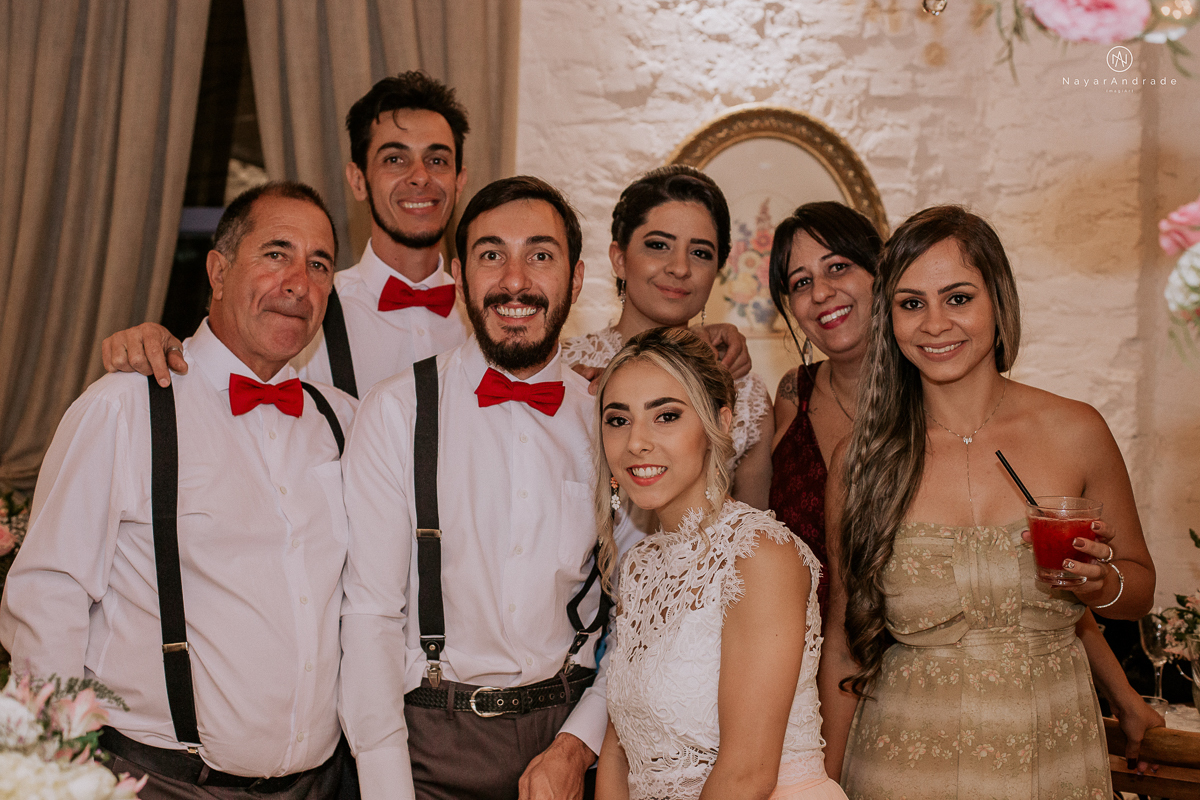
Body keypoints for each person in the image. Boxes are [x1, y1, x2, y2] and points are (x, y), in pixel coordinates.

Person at [768, 202, 1162, 774]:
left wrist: (1103, 584)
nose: (934, 324)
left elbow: (1140, 588)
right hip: (899, 762)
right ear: (889, 318)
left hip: (1052, 756)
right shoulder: (860, 461)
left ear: (998, 300)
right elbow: (845, 647)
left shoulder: (1077, 431)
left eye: (957, 298)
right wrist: (823, 783)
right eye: (911, 304)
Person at [0, 182, 356, 800]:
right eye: (276, 253)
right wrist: (52, 768)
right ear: (217, 271)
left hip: (320, 785)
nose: (299, 282)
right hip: (160, 782)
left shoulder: (342, 422)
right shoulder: (124, 407)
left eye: (319, 264)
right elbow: (47, 600)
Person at [339, 176, 631, 800]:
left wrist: (578, 745)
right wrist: (387, 786)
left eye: (540, 255)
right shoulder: (396, 412)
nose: (515, 281)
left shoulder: (609, 422)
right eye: (491, 254)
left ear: (576, 278)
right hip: (429, 747)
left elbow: (634, 617)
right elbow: (369, 616)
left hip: (569, 739)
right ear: (459, 275)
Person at [103, 71, 471, 396]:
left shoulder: (487, 312)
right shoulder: (303, 306)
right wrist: (150, 342)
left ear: (459, 181)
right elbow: (216, 382)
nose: (420, 176)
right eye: (395, 159)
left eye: (437, 160)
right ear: (358, 180)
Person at [592, 327, 844, 800]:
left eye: (666, 416)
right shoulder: (640, 565)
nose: (636, 442)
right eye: (618, 420)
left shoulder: (759, 555)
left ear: (721, 422)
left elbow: (747, 774)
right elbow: (619, 748)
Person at [561, 165, 773, 509]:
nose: (680, 267)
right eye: (659, 246)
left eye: (700, 252)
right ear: (619, 259)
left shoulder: (744, 391)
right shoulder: (567, 368)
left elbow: (753, 526)